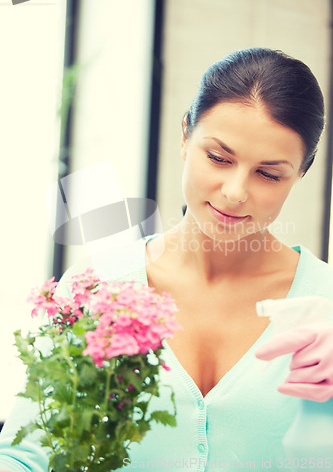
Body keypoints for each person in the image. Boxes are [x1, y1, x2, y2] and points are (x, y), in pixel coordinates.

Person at [0, 47, 333, 471]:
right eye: (218, 157)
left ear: (300, 173)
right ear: (184, 136)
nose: (234, 191)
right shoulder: (97, 287)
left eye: (268, 174)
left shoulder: (326, 306)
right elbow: (28, 454)